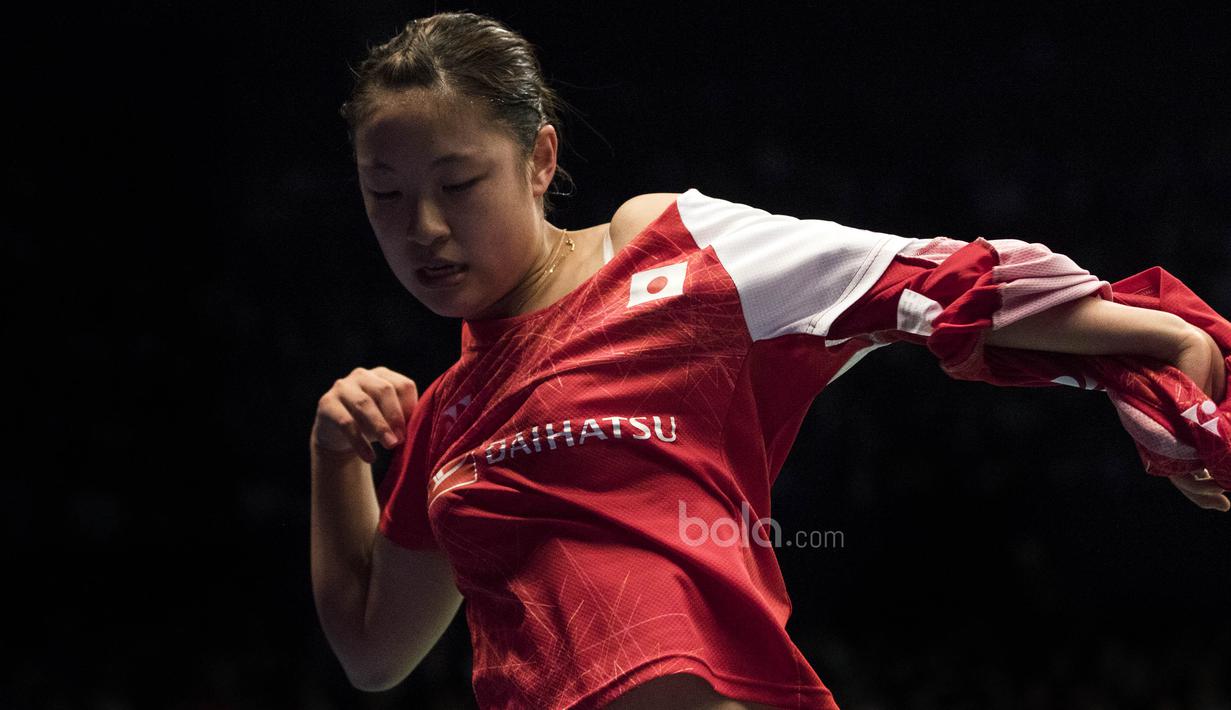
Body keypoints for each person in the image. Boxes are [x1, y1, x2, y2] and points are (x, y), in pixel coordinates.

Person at [309, 11, 1230, 709]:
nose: (421, 229)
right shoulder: (445, 413)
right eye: (382, 195)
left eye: (457, 184)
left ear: (539, 159)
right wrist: (333, 453)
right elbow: (371, 651)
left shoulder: (663, 246)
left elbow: (915, 282)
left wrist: (1152, 336)